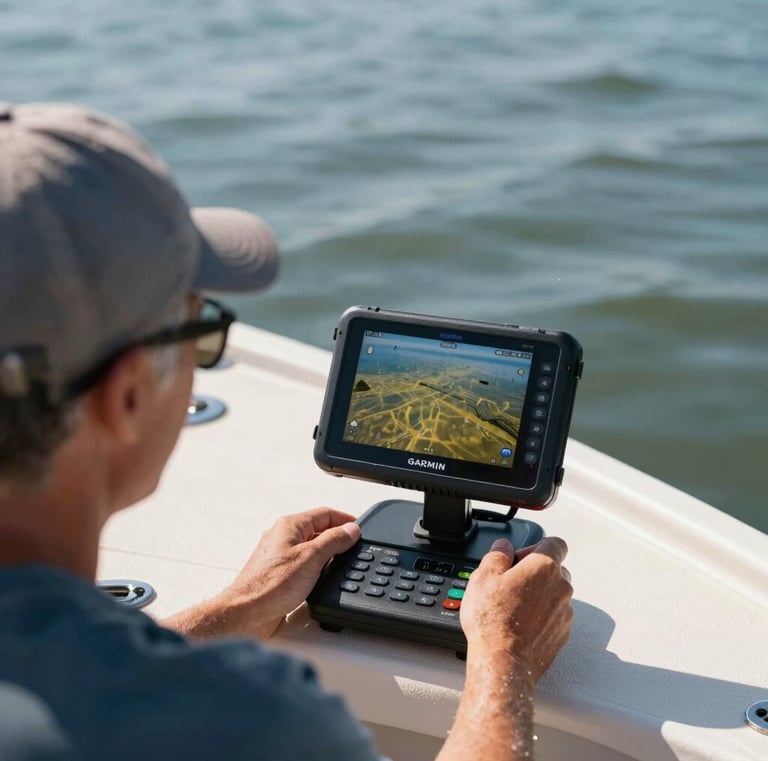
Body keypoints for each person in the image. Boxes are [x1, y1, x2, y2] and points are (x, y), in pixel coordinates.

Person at [0, 102, 573, 761]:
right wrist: (505, 657)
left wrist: (240, 606)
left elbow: (69, 682)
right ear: (127, 396)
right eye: (200, 330)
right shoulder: (260, 722)